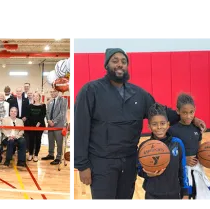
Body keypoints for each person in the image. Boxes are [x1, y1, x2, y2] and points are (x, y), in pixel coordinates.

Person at [72, 48, 206, 200]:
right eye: (115, 61)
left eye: (123, 61)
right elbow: (79, 129)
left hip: (129, 161)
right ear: (106, 65)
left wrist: (189, 119)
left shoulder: (138, 94)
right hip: (102, 162)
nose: (120, 64)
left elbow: (161, 113)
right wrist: (82, 165)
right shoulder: (90, 91)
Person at [137, 103, 189, 200]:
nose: (159, 127)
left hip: (174, 193)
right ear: (149, 127)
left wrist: (185, 193)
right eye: (154, 124)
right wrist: (147, 174)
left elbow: (183, 169)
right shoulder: (144, 147)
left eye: (162, 123)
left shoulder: (177, 144)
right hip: (152, 194)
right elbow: (139, 169)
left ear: (168, 124)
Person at [168, 93, 210, 199]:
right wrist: (184, 160)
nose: (188, 116)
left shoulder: (197, 128)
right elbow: (169, 153)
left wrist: (205, 158)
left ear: (195, 110)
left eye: (191, 112)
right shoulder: (172, 130)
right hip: (180, 172)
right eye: (184, 113)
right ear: (178, 111)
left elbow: (199, 149)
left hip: (197, 170)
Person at [41, 88, 68, 165]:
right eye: (51, 91)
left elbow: (62, 113)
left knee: (59, 142)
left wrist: (54, 121)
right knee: (51, 140)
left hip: (58, 125)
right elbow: (47, 112)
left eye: (54, 92)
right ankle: (51, 154)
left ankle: (58, 157)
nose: (52, 93)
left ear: (58, 92)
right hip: (50, 125)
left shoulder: (63, 100)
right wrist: (48, 120)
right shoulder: (50, 101)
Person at [27, 92, 46, 162]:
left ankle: (36, 155)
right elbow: (29, 116)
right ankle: (30, 154)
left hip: (40, 126)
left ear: (39, 97)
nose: (35, 97)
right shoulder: (30, 105)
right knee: (31, 140)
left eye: (36, 96)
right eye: (34, 96)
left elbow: (43, 115)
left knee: (38, 140)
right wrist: (34, 124)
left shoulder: (43, 105)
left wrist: (39, 122)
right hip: (31, 125)